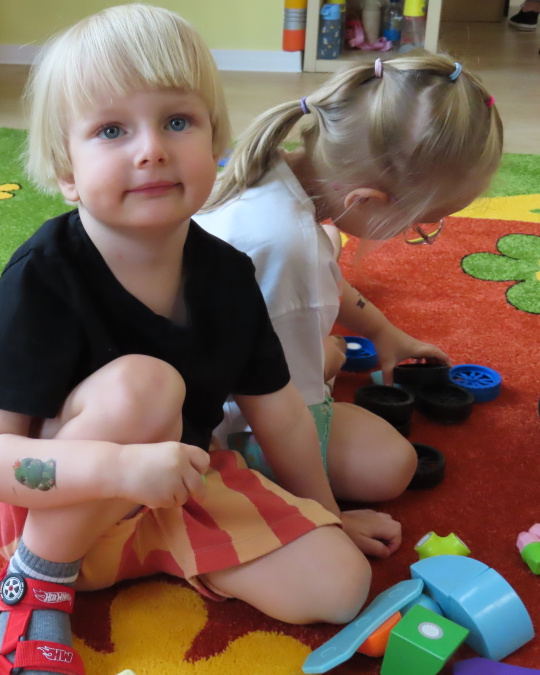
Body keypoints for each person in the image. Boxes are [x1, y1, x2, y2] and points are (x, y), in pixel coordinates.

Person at [0, 6, 387, 675]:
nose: (151, 149)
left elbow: (280, 414)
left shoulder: (228, 275)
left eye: (177, 121)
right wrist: (116, 470)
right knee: (148, 384)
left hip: (167, 488)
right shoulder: (43, 277)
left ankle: (150, 556)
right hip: (51, 504)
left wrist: (323, 513)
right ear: (66, 170)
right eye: (111, 130)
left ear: (214, 141)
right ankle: (34, 587)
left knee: (341, 585)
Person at [196, 54, 503, 513]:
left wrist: (382, 331)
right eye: (418, 225)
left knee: (328, 247)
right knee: (390, 463)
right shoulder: (291, 252)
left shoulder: (271, 172)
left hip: (216, 350)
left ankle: (321, 354)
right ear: (365, 200)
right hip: (210, 420)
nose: (413, 233)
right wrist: (324, 515)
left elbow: (319, 279)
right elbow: (283, 415)